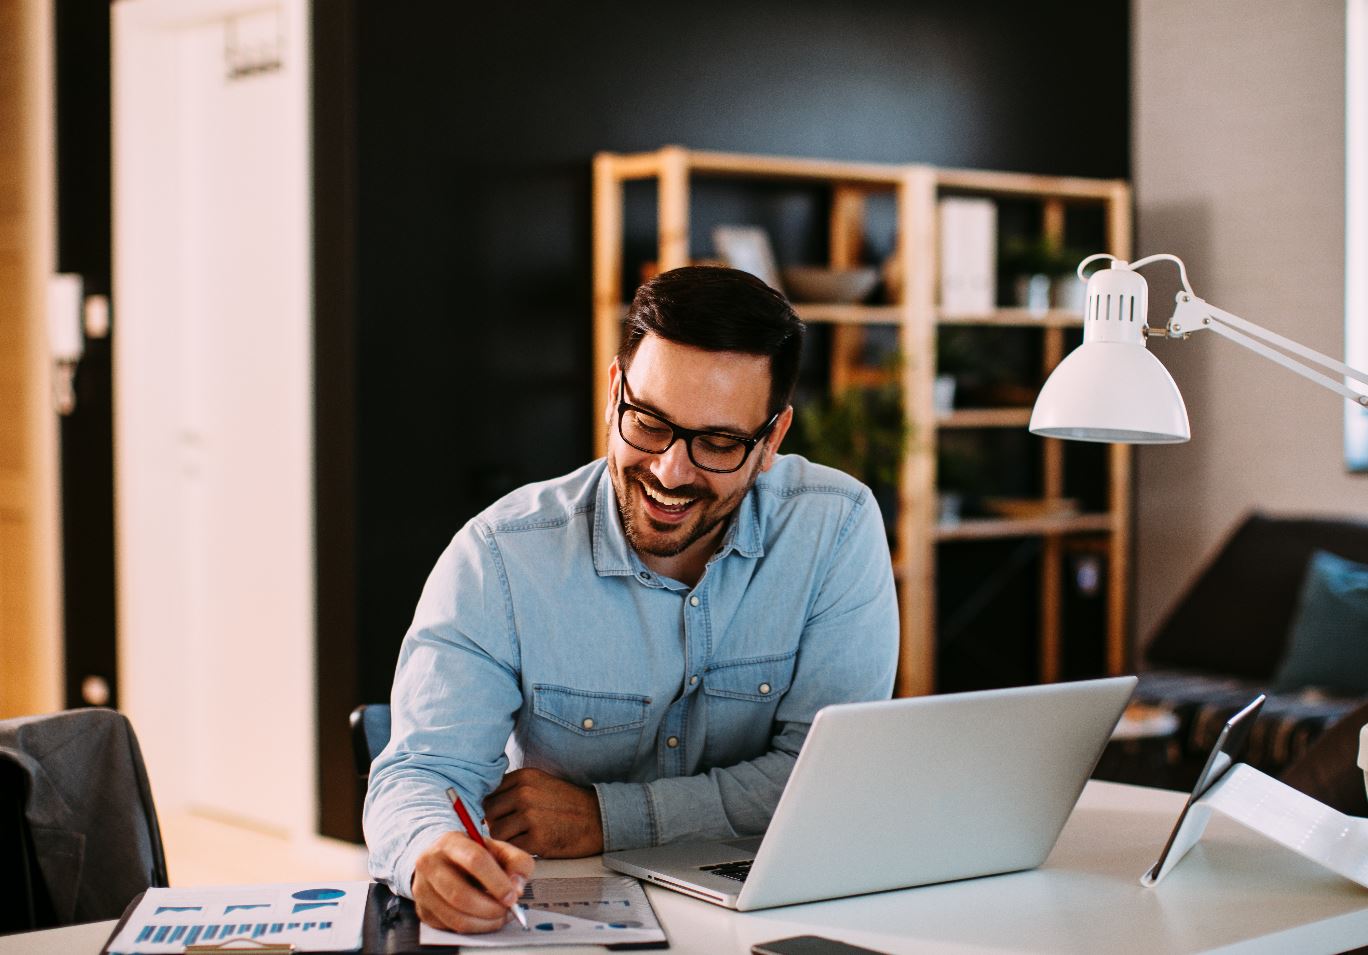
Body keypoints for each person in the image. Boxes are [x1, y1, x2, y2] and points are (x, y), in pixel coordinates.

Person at [364, 265, 899, 933]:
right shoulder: (499, 557)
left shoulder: (836, 529)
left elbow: (821, 778)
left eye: (719, 442)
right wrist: (428, 851)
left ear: (771, 440)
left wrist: (606, 816)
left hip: (770, 920)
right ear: (615, 391)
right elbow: (419, 774)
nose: (671, 470)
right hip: (562, 923)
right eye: (648, 422)